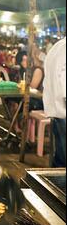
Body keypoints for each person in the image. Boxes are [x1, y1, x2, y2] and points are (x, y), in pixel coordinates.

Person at [43, 37, 66, 167]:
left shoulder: (57, 47)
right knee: (63, 160)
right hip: (63, 110)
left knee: (60, 157)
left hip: (56, 110)